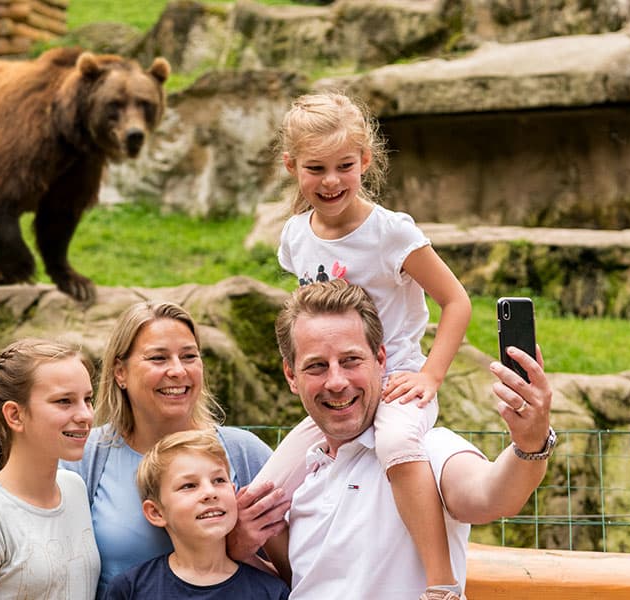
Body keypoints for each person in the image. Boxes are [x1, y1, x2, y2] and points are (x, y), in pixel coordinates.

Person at [254, 91, 473, 599]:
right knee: (261, 493)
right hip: (339, 391)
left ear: (365, 162)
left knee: (398, 445)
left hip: (393, 385)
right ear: (291, 167)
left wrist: (428, 376)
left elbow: (456, 301)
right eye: (316, 168)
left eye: (343, 166)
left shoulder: (390, 233)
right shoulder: (294, 235)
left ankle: (443, 585)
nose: (331, 181)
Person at [0, 301, 291, 598]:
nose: (177, 370)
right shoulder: (85, 457)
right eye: (158, 358)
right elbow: (29, 513)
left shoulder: (243, 452)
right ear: (120, 372)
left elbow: (303, 571)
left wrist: (239, 551)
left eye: (189, 356)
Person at [260, 279, 555, 600]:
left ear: (381, 359)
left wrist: (530, 443)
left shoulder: (423, 450)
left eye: (351, 361)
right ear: (291, 376)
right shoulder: (299, 484)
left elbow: (491, 496)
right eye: (317, 366)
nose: (336, 381)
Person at [0, 338, 101, 599]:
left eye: (87, 399)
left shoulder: (74, 489)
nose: (85, 415)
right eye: (64, 401)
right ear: (15, 415)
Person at [101, 429, 290, 599]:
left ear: (233, 492)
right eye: (189, 485)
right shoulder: (129, 590)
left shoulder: (271, 592)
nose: (210, 492)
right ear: (156, 512)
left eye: (218, 480)